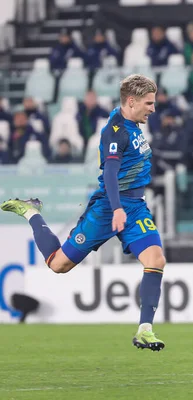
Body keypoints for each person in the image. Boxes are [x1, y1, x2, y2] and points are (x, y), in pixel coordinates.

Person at [1, 74, 167, 351]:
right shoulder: (116, 132)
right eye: (149, 103)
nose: (153, 108)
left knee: (156, 259)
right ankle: (31, 212)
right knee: (58, 265)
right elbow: (111, 173)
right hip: (107, 209)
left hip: (136, 208)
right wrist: (116, 209)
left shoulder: (132, 124)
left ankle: (145, 330)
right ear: (131, 101)